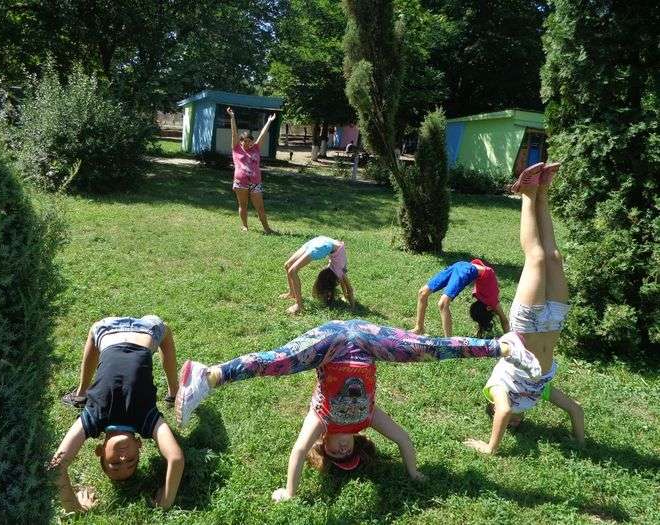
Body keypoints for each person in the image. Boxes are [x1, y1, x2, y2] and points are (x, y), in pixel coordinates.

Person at [174, 319, 542, 501]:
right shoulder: (369, 419)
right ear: (358, 444)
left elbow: (299, 452)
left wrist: (290, 492)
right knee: (427, 347)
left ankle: (208, 375)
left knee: (279, 361)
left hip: (331, 343)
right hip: (368, 341)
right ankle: (502, 346)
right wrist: (413, 474)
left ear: (326, 446)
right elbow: (404, 441)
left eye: (335, 454)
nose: (341, 450)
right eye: (347, 453)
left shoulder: (321, 419)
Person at [464, 161, 585, 455]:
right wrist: (580, 442)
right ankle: (543, 191)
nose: (516, 422)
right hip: (554, 322)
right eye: (519, 425)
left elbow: (504, 412)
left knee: (536, 258)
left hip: (528, 324)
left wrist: (490, 447)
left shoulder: (498, 390)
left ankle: (526, 193)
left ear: (491, 407)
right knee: (553, 257)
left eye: (509, 424)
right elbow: (575, 409)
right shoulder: (535, 393)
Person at [50, 316, 184, 512]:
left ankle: (81, 393)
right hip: (147, 330)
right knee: (166, 333)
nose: (123, 459)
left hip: (107, 329)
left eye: (114, 464)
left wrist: (75, 508)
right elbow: (176, 458)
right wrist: (165, 500)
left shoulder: (93, 418)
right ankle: (174, 391)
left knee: (94, 331)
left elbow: (56, 467)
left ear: (100, 451)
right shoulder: (147, 420)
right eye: (131, 461)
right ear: (139, 445)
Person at [412, 259, 509, 337]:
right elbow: (504, 320)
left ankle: (449, 343)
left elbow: (504, 320)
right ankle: (419, 328)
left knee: (442, 303)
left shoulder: (488, 301)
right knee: (422, 293)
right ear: (488, 308)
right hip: (464, 268)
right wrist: (510, 339)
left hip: (465, 268)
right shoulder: (492, 302)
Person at [227, 107, 276, 234]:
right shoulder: (236, 148)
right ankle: (245, 226)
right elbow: (234, 133)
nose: (248, 143)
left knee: (260, 207)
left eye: (250, 141)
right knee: (243, 205)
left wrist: (269, 121)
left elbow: (262, 135)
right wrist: (232, 117)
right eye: (245, 141)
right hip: (240, 182)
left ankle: (267, 228)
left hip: (255, 182)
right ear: (241, 141)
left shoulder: (256, 148)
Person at [279, 236, 355, 315]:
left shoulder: (336, 271)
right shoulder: (340, 273)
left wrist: (346, 298)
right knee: (291, 269)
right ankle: (297, 301)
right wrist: (352, 306)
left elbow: (345, 287)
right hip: (324, 245)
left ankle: (298, 302)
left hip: (323, 240)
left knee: (289, 267)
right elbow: (349, 289)